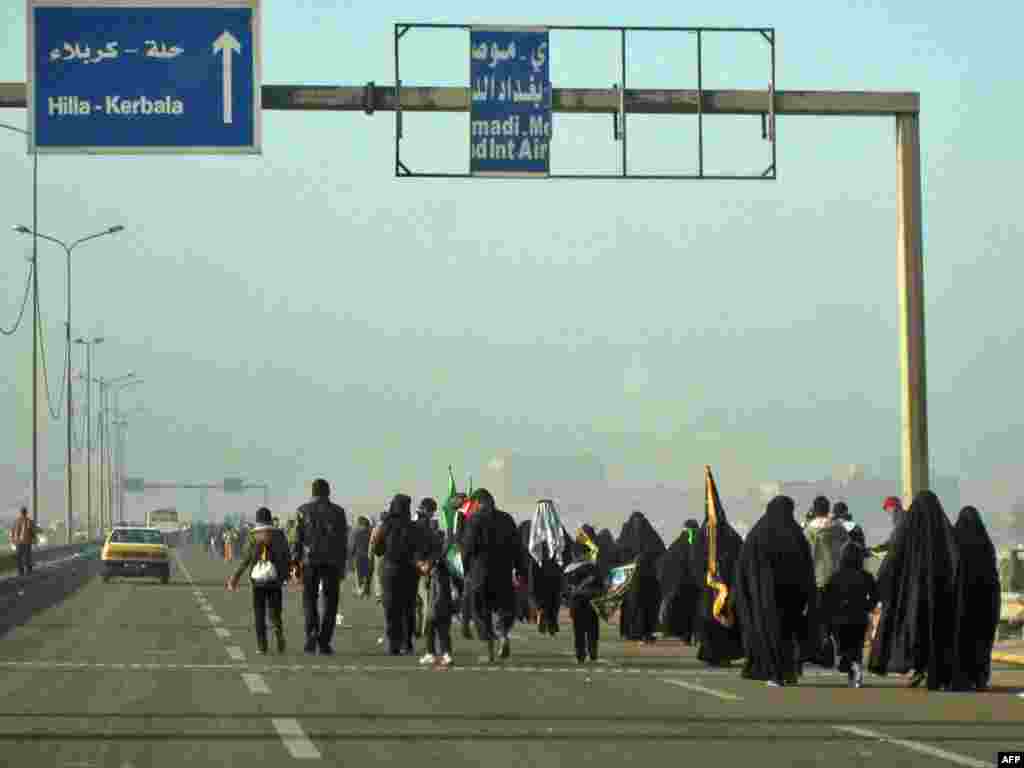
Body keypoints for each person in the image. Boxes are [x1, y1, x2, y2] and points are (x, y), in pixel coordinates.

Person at [868, 490, 958, 690]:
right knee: (938, 631)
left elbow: (891, 561)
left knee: (916, 630)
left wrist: (879, 589)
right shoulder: (945, 532)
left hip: (911, 594)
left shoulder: (906, 529)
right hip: (940, 594)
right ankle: (935, 672)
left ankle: (919, 668)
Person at [734, 496, 815, 687]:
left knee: (770, 633)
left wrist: (743, 593)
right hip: (793, 597)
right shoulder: (796, 533)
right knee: (789, 635)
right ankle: (789, 673)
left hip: (765, 596)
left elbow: (743, 566)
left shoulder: (758, 533)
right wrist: (808, 594)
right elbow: (807, 567)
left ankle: (775, 674)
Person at [462, 488, 521, 663]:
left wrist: (465, 571)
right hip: (503, 573)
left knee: (481, 613)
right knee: (504, 609)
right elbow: (517, 547)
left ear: (479, 502)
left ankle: (489, 653)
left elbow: (467, 548)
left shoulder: (474, 520)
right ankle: (503, 636)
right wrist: (519, 569)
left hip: (480, 573)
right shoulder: (506, 519)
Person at [293, 478, 349, 655]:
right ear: (328, 492)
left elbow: (297, 539)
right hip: (332, 563)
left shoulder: (302, 511)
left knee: (309, 600)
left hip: (310, 562)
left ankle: (311, 635)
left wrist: (295, 562)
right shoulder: (338, 511)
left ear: (312, 492)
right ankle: (324, 641)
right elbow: (343, 541)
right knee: (330, 603)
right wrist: (342, 565)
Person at [950, 506, 1001, 692]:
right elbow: (993, 576)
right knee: (981, 641)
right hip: (984, 602)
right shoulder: (986, 543)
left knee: (960, 640)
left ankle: (959, 679)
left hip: (960, 602)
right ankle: (980, 679)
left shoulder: (954, 541)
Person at [227, 507, 291, 654]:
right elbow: (286, 556)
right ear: (270, 518)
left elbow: (246, 559)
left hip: (258, 581)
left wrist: (235, 578)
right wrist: (286, 575)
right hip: (275, 580)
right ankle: (279, 634)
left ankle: (262, 646)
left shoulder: (253, 535)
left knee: (259, 613)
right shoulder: (279, 534)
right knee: (275, 612)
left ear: (257, 519)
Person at [822, 535, 878, 688]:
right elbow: (875, 596)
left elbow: (826, 599)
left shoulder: (835, 577)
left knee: (844, 647)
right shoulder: (866, 576)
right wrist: (867, 607)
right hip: (859, 616)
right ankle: (856, 673)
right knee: (857, 646)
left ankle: (849, 666)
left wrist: (828, 619)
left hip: (839, 618)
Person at [802, 495, 848, 667]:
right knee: (838, 618)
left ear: (814, 509)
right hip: (837, 580)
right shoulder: (839, 529)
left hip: (816, 580)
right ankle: (842, 654)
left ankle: (822, 652)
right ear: (828, 509)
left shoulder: (808, 531)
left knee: (818, 619)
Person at [371, 494, 418, 656]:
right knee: (408, 607)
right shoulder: (414, 527)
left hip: (390, 569)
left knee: (391, 608)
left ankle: (393, 644)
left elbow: (377, 549)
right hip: (411, 570)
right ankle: (407, 643)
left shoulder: (385, 525)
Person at [658, 519, 702, 644]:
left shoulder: (676, 546)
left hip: (680, 587)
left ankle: (686, 636)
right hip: (696, 586)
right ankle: (694, 635)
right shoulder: (701, 545)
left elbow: (664, 565)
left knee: (684, 612)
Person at [528, 499, 567, 636]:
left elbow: (526, 547)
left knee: (536, 592)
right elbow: (566, 546)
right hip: (554, 566)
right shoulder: (558, 527)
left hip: (536, 565)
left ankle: (540, 611)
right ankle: (552, 622)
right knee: (554, 594)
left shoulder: (532, 527)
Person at [417, 540, 455, 667]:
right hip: (444, 606)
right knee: (442, 632)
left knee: (432, 630)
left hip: (437, 607)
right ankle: (445, 655)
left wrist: (434, 608)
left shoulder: (437, 574)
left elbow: (439, 593)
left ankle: (432, 654)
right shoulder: (442, 571)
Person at [565, 557, 602, 664]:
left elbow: (567, 590)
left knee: (580, 632)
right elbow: (601, 588)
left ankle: (581, 655)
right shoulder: (594, 569)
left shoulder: (571, 569)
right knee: (591, 632)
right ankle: (591, 654)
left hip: (580, 603)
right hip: (590, 603)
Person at [349, 516, 374, 598]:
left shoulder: (355, 532)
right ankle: (366, 591)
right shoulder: (370, 531)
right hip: (369, 555)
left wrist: (351, 555)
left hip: (358, 555)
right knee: (367, 574)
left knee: (359, 574)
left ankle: (360, 590)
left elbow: (352, 545)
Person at [11, 507, 35, 576]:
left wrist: (13, 540)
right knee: (27, 556)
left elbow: (13, 531)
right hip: (27, 541)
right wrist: (32, 538)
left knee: (19, 557)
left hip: (19, 542)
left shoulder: (16, 521)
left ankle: (20, 571)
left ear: (20, 513)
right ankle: (28, 570)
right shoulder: (29, 521)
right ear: (26, 513)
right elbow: (32, 531)